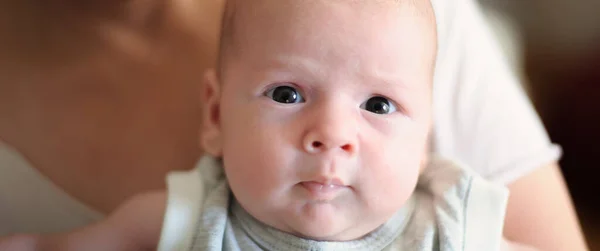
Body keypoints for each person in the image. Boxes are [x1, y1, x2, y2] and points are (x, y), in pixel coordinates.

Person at [0, 0, 588, 250]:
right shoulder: (194, 216)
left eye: (378, 106)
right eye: (287, 94)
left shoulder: (450, 223)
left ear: (427, 133)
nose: (331, 134)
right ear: (215, 116)